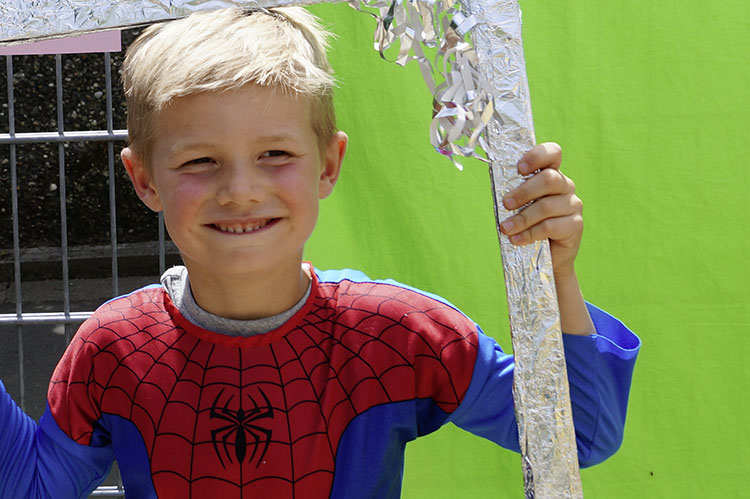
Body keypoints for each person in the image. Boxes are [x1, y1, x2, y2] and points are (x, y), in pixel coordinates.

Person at [0, 7, 640, 498]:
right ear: (144, 180)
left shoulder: (401, 333)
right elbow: (30, 488)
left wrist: (555, 273)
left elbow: (579, 436)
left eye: (275, 154)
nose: (241, 190)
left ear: (328, 164)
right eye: (200, 161)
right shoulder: (113, 348)